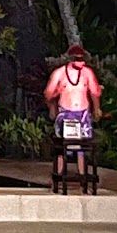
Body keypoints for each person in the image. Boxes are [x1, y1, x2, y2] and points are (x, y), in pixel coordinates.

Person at [44, 45, 102, 179]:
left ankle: (82, 175)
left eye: (83, 60)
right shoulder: (59, 73)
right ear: (71, 59)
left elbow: (94, 92)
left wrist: (97, 108)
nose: (81, 62)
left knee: (82, 146)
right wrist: (53, 104)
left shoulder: (87, 73)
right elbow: (47, 94)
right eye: (78, 59)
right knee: (63, 147)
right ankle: (59, 174)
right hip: (65, 113)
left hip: (82, 113)